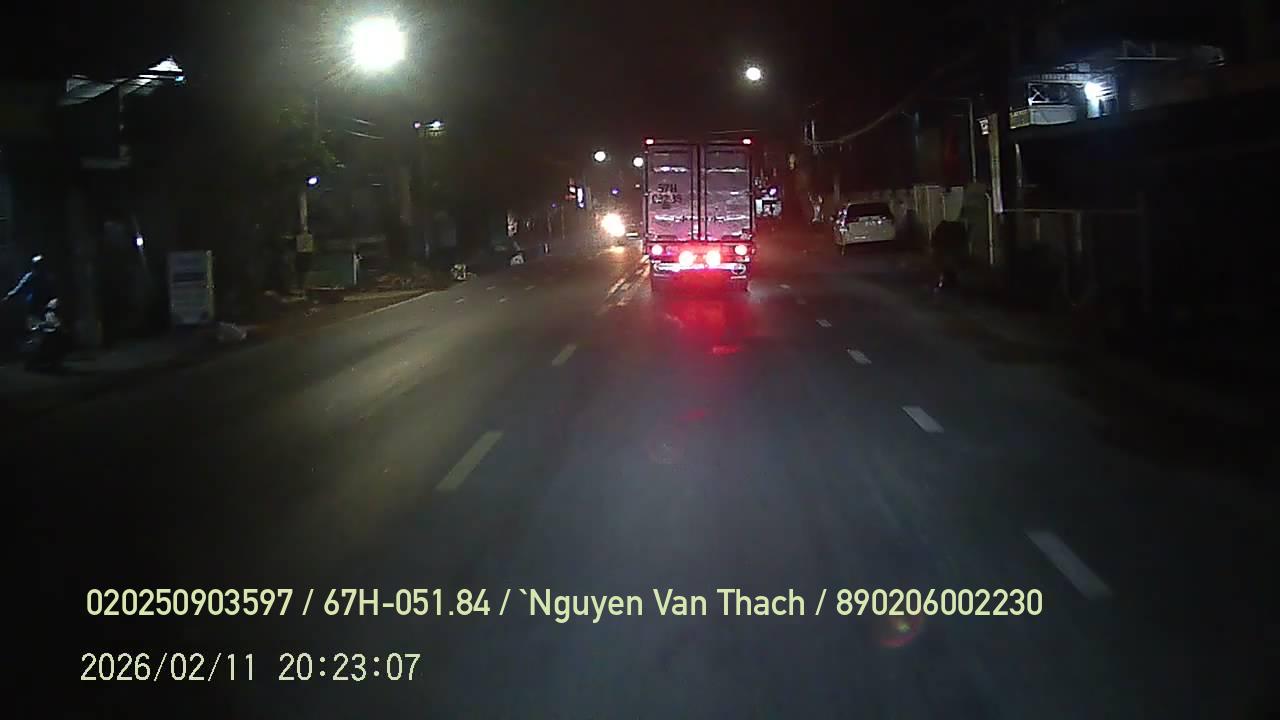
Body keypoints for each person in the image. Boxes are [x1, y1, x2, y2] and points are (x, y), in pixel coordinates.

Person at [3, 255, 56, 331]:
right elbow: (19, 288)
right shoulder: (31, 277)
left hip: (47, 305)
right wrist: (9, 296)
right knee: (35, 325)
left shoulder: (48, 277)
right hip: (36, 306)